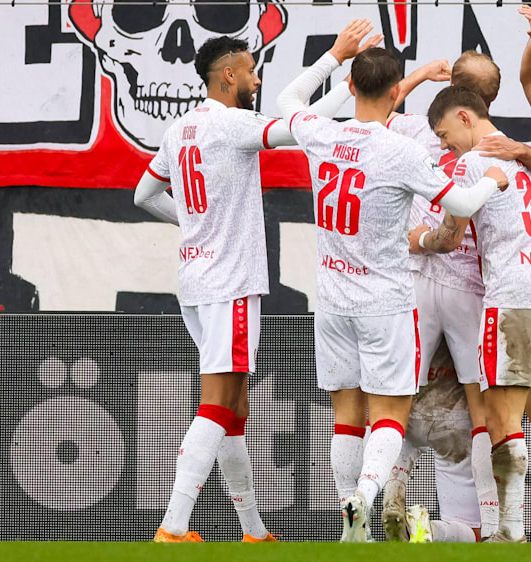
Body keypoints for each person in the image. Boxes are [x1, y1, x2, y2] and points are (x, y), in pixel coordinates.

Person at [131, 24, 374, 542]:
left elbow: (143, 194)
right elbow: (297, 127)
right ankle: (173, 527)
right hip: (231, 282)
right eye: (249, 70)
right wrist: (334, 66)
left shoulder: (180, 130)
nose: (256, 78)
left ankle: (253, 530)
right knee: (218, 404)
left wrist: (192, 225)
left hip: (196, 280)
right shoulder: (231, 126)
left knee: (234, 407)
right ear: (227, 76)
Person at [276, 47, 508, 543]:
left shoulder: (322, 133)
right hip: (385, 301)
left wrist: (333, 58)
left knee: (346, 416)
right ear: (396, 90)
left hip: (333, 300)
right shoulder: (401, 150)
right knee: (389, 414)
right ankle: (365, 494)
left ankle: (348, 523)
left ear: (354, 87)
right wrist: (492, 178)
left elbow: (289, 98)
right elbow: (463, 203)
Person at [426, 85, 531, 543]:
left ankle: (509, 531)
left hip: (513, 298)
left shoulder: (472, 166)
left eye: (443, 132)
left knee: (501, 418)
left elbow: (451, 237)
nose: (443, 144)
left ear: (464, 117)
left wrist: (416, 239)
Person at [374, 50, 503, 543]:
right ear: (488, 99)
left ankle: (388, 486)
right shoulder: (509, 151)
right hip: (472, 290)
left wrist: (417, 76)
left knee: (393, 399)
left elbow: (376, 109)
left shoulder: (415, 134)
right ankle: (492, 525)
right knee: (484, 411)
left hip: (414, 280)